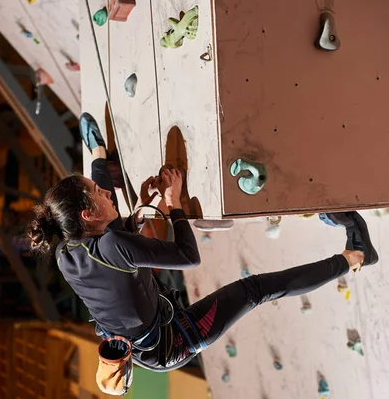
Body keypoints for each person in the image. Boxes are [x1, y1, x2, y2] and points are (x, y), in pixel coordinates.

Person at [27, 113, 378, 383]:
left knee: (119, 223)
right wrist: (173, 203)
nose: (107, 192)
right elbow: (188, 257)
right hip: (171, 341)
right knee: (254, 290)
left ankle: (99, 155)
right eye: (100, 191)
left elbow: (113, 256)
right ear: (86, 216)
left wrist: (140, 213)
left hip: (147, 325)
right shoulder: (97, 247)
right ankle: (356, 255)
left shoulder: (66, 252)